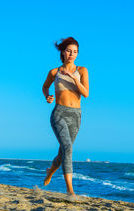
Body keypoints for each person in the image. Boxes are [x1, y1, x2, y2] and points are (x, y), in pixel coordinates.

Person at [42, 37, 89, 196]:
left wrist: (75, 78)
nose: (72, 54)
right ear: (63, 52)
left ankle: (50, 171)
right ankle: (70, 190)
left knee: (64, 153)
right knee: (68, 148)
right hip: (59, 113)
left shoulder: (82, 71)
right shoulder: (54, 72)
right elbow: (45, 87)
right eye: (69, 51)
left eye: (75, 52)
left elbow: (86, 93)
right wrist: (47, 96)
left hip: (76, 116)